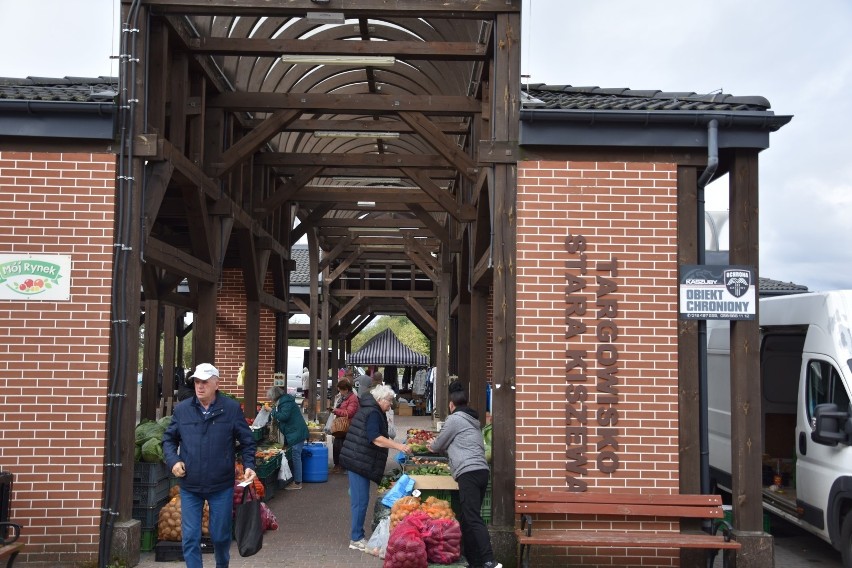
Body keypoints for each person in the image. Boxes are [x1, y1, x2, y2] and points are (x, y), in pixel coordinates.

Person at [162, 363, 257, 568]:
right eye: (197, 381)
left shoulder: (231, 409)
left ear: (216, 383)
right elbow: (168, 440)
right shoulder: (183, 410)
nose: (200, 386)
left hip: (220, 484)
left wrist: (250, 464)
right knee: (190, 537)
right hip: (190, 484)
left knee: (221, 536)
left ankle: (222, 564)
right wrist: (173, 461)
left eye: (204, 382)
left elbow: (248, 441)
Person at [427, 381, 501, 568]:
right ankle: (473, 560)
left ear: (452, 405)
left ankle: (489, 560)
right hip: (481, 471)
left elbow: (438, 444)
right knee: (469, 518)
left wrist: (432, 446)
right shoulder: (472, 421)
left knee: (472, 518)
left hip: (468, 472)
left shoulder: (454, 419)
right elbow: (454, 445)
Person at [340, 384, 412, 552]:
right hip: (358, 460)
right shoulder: (373, 412)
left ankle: (357, 535)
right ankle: (356, 538)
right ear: (380, 399)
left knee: (360, 500)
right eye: (389, 401)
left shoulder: (371, 409)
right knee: (360, 501)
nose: (390, 405)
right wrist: (398, 446)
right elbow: (375, 438)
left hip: (359, 459)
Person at [268, 384, 309, 490]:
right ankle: (295, 479)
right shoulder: (285, 401)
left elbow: (284, 417)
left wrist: (271, 411)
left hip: (296, 433)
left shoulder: (285, 403)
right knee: (295, 455)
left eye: (271, 398)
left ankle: (298, 482)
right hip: (295, 432)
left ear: (274, 396)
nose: (271, 400)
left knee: (296, 456)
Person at [329, 377, 359, 474]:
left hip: (348, 425)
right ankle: (338, 465)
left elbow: (349, 413)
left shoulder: (353, 398)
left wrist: (336, 411)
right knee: (337, 444)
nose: (340, 392)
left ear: (346, 389)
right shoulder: (344, 397)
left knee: (342, 446)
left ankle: (342, 466)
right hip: (342, 425)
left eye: (341, 390)